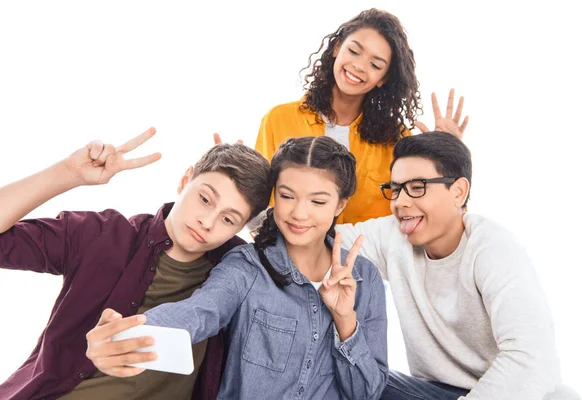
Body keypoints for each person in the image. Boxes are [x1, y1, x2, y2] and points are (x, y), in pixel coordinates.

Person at [86, 136, 389, 399]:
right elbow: (198, 312)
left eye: (318, 202)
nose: (299, 213)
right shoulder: (247, 266)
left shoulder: (364, 278)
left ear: (340, 205)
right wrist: (124, 335)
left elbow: (367, 392)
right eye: (287, 196)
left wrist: (344, 318)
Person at [0, 127, 271, 400]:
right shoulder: (103, 235)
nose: (208, 221)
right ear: (185, 179)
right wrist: (68, 173)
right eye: (204, 199)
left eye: (228, 219)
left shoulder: (240, 273)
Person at [336, 131, 578, 399]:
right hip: (437, 391)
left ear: (459, 192)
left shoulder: (492, 249)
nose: (400, 202)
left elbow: (532, 357)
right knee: (358, 379)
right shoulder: (394, 235)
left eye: (417, 187)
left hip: (522, 392)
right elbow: (321, 239)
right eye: (395, 189)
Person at [254, 8, 468, 224]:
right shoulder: (279, 119)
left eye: (375, 65)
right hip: (287, 252)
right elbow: (256, 203)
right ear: (337, 47)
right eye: (354, 51)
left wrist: (448, 157)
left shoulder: (397, 139)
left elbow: (423, 210)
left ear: (383, 78)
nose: (358, 66)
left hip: (367, 256)